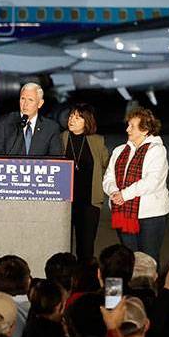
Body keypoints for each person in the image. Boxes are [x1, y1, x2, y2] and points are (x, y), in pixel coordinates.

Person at [103, 108, 169, 265]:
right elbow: (108, 177)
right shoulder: (120, 150)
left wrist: (124, 195)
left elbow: (152, 181)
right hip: (123, 212)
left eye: (132, 126)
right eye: (128, 125)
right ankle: (130, 289)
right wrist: (114, 192)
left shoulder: (157, 150)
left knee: (148, 261)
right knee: (128, 260)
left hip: (150, 216)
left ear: (145, 130)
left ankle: (148, 289)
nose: (127, 129)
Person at [61, 103, 109, 260]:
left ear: (87, 121)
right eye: (70, 116)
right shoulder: (62, 138)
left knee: (86, 249)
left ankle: (85, 280)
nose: (71, 120)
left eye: (77, 117)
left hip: (89, 203)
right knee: (62, 247)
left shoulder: (97, 141)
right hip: (64, 203)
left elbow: (107, 167)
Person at [0, 82, 62, 156]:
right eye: (23, 99)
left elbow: (56, 159)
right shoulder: (4, 123)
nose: (25, 104)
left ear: (40, 103)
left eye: (30, 100)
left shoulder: (51, 128)